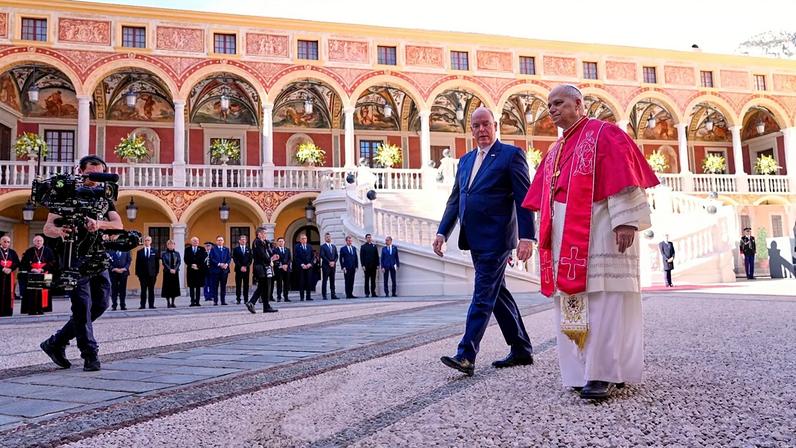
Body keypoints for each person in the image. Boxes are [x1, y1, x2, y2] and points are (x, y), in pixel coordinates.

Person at [522, 85, 659, 399]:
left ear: (578, 104)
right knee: (573, 305)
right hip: (565, 238)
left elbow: (623, 175)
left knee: (604, 302)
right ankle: (580, 372)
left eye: (559, 103)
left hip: (600, 230)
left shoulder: (604, 134)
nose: (552, 109)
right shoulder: (555, 150)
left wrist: (625, 220)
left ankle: (603, 373)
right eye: (549, 105)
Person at [434, 106, 535, 378]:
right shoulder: (466, 160)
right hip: (474, 238)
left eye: (486, 124)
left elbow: (523, 198)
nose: (481, 130)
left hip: (497, 238)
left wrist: (527, 237)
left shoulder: (511, 156)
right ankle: (521, 348)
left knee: (482, 295)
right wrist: (442, 232)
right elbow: (456, 199)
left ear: (495, 126)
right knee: (497, 294)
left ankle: (466, 354)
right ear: (471, 130)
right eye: (476, 125)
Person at [40, 155, 123, 371]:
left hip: (98, 256)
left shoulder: (105, 196)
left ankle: (56, 342)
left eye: (99, 175)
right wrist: (59, 231)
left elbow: (118, 224)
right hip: (74, 257)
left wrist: (99, 224)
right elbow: (47, 227)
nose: (95, 180)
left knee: (101, 304)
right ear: (80, 171)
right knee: (82, 305)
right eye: (90, 175)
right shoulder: (65, 194)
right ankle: (90, 354)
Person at [20, 235, 57, 315]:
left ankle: (44, 308)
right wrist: (31, 269)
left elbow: (53, 262)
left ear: (43, 242)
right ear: (34, 242)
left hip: (46, 273)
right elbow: (24, 262)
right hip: (32, 273)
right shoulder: (29, 251)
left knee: (45, 290)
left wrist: (43, 269)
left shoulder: (48, 250)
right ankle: (31, 309)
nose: (39, 242)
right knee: (32, 291)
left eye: (40, 240)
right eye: (37, 240)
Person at [246, 227, 278, 314]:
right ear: (259, 234)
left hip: (264, 267)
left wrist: (273, 256)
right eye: (264, 233)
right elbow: (262, 254)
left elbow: (268, 252)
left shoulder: (264, 242)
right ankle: (260, 305)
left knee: (263, 287)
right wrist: (270, 260)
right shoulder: (257, 242)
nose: (265, 235)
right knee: (264, 286)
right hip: (260, 267)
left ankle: (255, 303)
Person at [135, 236, 159, 309]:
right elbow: (137, 264)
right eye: (145, 240)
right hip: (142, 275)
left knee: (151, 290)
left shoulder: (155, 251)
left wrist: (156, 273)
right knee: (143, 290)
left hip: (152, 275)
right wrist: (138, 274)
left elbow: (157, 264)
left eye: (148, 240)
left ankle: (151, 305)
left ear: (151, 241)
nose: (147, 241)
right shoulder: (140, 252)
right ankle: (142, 305)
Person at [0, 235, 20, 317]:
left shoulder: (12, 252)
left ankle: (7, 312)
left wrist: (10, 269)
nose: (6, 243)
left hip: (9, 276)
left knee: (8, 293)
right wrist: (2, 268)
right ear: (0, 242)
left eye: (8, 242)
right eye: (4, 241)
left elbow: (17, 262)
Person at [184, 237, 207, 306]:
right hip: (190, 270)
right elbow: (185, 259)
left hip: (199, 270)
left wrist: (198, 266)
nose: (196, 242)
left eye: (197, 241)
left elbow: (203, 259)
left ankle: (197, 301)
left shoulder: (202, 249)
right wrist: (191, 265)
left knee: (198, 287)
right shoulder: (187, 249)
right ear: (191, 242)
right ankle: (192, 301)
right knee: (191, 286)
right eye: (194, 241)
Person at [209, 235, 231, 305]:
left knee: (223, 286)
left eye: (221, 240)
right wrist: (219, 264)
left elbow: (229, 258)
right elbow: (211, 259)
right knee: (215, 286)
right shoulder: (213, 249)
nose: (220, 241)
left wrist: (226, 264)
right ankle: (215, 301)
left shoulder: (226, 249)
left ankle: (223, 301)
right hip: (215, 270)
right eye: (218, 240)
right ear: (216, 241)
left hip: (224, 270)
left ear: (223, 241)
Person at [108, 245, 131, 311]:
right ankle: (114, 305)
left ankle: (122, 305)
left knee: (122, 290)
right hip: (113, 273)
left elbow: (129, 261)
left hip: (123, 273)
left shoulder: (126, 250)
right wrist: (113, 268)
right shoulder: (110, 251)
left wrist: (125, 268)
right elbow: (108, 262)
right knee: (114, 290)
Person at [160, 239, 181, 308]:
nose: (171, 245)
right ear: (167, 245)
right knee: (167, 288)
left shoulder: (177, 253)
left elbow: (179, 262)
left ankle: (173, 302)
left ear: (174, 245)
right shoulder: (164, 253)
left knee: (174, 288)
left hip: (175, 273)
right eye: (169, 244)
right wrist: (170, 269)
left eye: (172, 244)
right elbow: (164, 262)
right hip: (167, 273)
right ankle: (168, 302)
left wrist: (175, 269)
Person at [232, 235, 252, 304]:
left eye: (244, 239)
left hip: (246, 270)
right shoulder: (236, 249)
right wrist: (241, 267)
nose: (243, 240)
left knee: (246, 285)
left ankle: (246, 299)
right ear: (239, 241)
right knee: (238, 285)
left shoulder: (249, 249)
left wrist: (246, 267)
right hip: (238, 269)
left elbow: (250, 259)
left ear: (246, 241)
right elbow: (235, 259)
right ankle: (238, 299)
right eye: (242, 239)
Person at [294, 234, 314, 301]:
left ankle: (308, 296)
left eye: (305, 238)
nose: (304, 240)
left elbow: (312, 256)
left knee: (309, 282)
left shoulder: (309, 246)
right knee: (301, 282)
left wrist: (310, 264)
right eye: (302, 238)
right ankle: (302, 297)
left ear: (307, 239)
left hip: (309, 267)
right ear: (300, 240)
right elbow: (296, 257)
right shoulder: (297, 246)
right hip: (301, 267)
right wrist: (302, 264)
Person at [319, 232, 339, 300]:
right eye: (327, 237)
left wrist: (334, 262)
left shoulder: (333, 246)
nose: (328, 238)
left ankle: (333, 295)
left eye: (329, 237)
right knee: (325, 281)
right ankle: (324, 295)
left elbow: (336, 256)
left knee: (332, 280)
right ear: (325, 238)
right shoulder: (322, 247)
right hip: (326, 266)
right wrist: (329, 262)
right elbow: (322, 256)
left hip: (333, 266)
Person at [360, 233, 379, 297]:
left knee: (373, 280)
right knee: (366, 280)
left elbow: (376, 256)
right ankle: (367, 293)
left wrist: (377, 264)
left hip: (373, 266)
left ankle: (373, 292)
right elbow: (361, 257)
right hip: (366, 266)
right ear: (366, 238)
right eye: (368, 237)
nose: (369, 238)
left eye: (370, 237)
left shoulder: (374, 246)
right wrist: (363, 265)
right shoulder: (363, 247)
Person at [273, 237, 291, 302]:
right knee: (279, 283)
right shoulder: (275, 250)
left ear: (284, 242)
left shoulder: (287, 250)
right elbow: (274, 260)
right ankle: (279, 297)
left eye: (282, 241)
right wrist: (281, 265)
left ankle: (286, 297)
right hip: (279, 269)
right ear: (277, 242)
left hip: (286, 269)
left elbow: (289, 259)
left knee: (286, 283)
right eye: (279, 241)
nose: (281, 242)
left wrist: (286, 265)